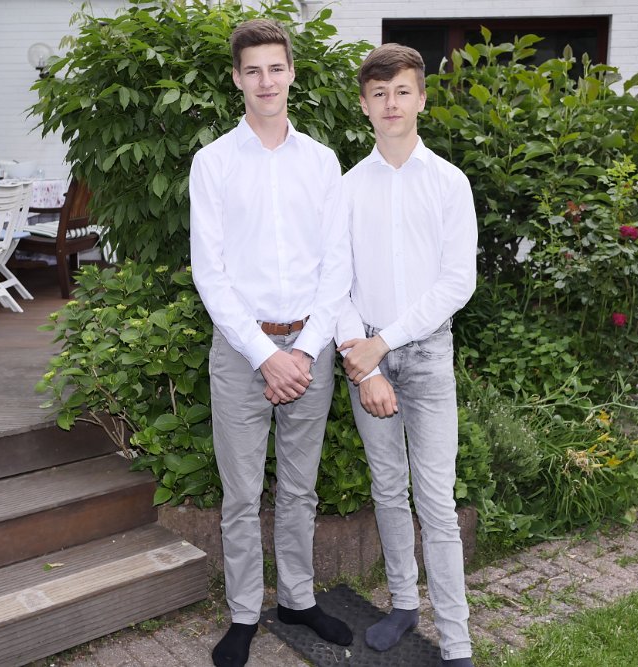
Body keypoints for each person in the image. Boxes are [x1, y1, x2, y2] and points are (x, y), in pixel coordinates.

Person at [189, 18, 353, 667]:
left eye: (275, 68)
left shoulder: (321, 162)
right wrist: (265, 355)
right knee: (239, 493)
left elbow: (337, 266)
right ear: (237, 78)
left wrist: (305, 351)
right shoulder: (213, 163)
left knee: (300, 489)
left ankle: (297, 599)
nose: (265, 81)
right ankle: (242, 614)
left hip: (311, 347)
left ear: (291, 74)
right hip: (241, 352)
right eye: (252, 70)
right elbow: (210, 272)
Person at [335, 43, 478, 667]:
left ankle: (457, 642)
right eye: (379, 93)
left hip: (425, 356)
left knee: (436, 500)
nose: (390, 103)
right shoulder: (345, 188)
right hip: (364, 357)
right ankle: (401, 605)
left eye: (401, 92)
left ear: (421, 98)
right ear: (364, 104)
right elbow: (334, 284)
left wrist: (383, 344)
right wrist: (365, 362)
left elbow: (457, 282)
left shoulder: (449, 183)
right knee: (388, 489)